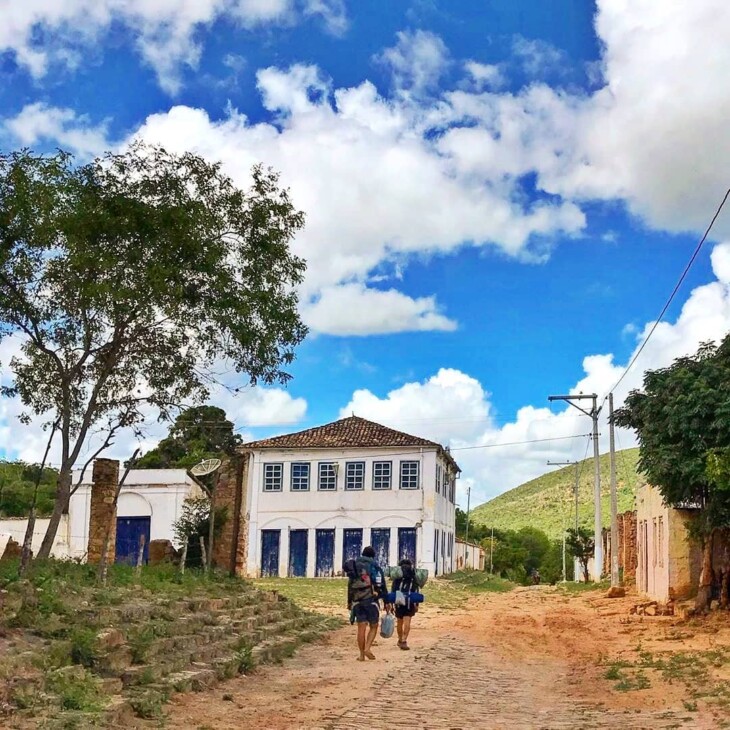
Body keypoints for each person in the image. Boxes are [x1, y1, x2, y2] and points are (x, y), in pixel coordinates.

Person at [345, 546, 389, 661]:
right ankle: (367, 648)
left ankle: (361, 655)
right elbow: (382, 585)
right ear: (372, 556)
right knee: (373, 626)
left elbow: (350, 586)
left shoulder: (354, 566)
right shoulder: (375, 566)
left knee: (361, 628)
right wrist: (386, 601)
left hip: (357, 601)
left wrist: (349, 602)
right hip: (371, 600)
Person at [391, 558, 419, 650]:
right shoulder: (413, 579)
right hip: (409, 603)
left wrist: (391, 605)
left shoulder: (396, 579)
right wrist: (417, 605)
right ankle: (404, 640)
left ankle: (400, 640)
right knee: (407, 622)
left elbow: (393, 592)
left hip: (398, 602)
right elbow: (416, 592)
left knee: (399, 622)